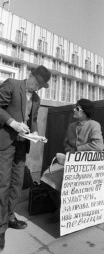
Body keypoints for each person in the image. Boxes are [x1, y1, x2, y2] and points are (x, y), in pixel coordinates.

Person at [0, 65, 51, 251]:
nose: (37, 88)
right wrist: (13, 123)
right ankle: (0, 227)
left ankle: (10, 215)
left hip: (22, 145)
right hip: (5, 143)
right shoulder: (12, 85)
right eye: (37, 83)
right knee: (3, 183)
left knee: (16, 182)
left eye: (41, 86)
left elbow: (33, 119)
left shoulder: (36, 98)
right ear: (30, 76)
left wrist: (36, 134)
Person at [41, 98, 104, 222]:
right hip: (70, 162)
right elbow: (65, 143)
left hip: (86, 165)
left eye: (77, 108)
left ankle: (64, 213)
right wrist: (70, 152)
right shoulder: (71, 126)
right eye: (75, 107)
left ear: (85, 112)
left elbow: (99, 146)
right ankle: (60, 209)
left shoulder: (94, 125)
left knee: (65, 181)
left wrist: (77, 150)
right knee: (47, 175)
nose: (73, 110)